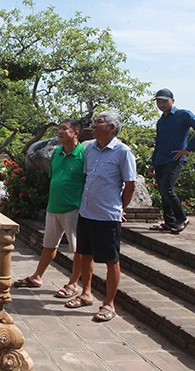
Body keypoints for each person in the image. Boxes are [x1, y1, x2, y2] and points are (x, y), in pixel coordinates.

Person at [65, 111, 136, 323]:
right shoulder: (90, 150)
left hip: (107, 216)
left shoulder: (123, 152)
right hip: (86, 213)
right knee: (84, 254)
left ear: (112, 128)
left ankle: (109, 303)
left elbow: (130, 185)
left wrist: (120, 208)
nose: (94, 125)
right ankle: (86, 293)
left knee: (111, 261)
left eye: (99, 122)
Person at [13, 119, 85, 299]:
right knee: (49, 245)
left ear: (75, 133)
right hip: (54, 206)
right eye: (59, 129)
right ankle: (37, 277)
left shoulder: (84, 154)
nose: (59, 132)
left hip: (73, 208)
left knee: (77, 249)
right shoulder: (57, 153)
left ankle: (73, 283)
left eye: (64, 129)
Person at [148, 88, 195, 234]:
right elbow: (159, 143)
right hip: (161, 159)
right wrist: (153, 163)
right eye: (158, 101)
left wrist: (187, 149)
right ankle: (169, 222)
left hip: (175, 159)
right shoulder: (161, 121)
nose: (161, 104)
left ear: (172, 101)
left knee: (166, 189)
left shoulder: (183, 115)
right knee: (162, 190)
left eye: (164, 101)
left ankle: (182, 218)